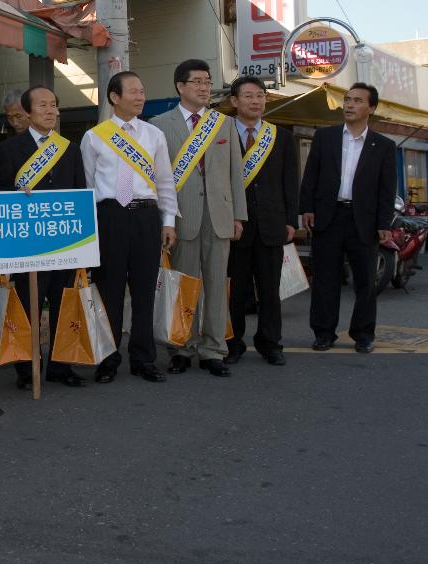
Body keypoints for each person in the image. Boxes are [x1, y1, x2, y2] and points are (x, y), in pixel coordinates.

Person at [150, 59, 246, 377]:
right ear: (180, 87)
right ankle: (181, 347)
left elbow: (235, 173)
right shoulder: (160, 125)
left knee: (217, 286)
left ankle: (213, 349)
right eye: (198, 82)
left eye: (208, 81)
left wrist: (238, 216)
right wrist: (164, 219)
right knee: (183, 285)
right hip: (181, 216)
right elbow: (157, 176)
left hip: (219, 216)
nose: (205, 87)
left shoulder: (224, 124)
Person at [81, 72, 178, 384]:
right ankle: (108, 359)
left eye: (142, 91)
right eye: (133, 91)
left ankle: (143, 358)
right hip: (110, 217)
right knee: (108, 291)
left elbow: (165, 182)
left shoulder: (153, 135)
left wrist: (168, 221)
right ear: (114, 97)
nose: (140, 97)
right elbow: (88, 185)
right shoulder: (94, 136)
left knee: (145, 290)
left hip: (146, 216)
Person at [0, 86, 88, 389]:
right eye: (43, 105)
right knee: (27, 305)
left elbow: (79, 192)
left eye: (54, 105)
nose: (51, 111)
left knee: (63, 304)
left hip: (64, 243)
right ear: (27, 112)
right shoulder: (8, 150)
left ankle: (61, 366)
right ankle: (27, 367)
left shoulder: (70, 149)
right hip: (27, 244)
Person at [299, 82, 398, 353]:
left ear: (371, 108)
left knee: (366, 281)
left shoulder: (384, 146)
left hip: (363, 220)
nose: (350, 105)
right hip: (328, 217)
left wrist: (383, 224)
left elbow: (387, 189)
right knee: (324, 279)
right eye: (347, 100)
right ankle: (323, 333)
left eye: (357, 101)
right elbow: (311, 176)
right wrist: (307, 208)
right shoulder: (325, 137)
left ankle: (363, 334)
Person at [225, 76, 298, 366]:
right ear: (234, 101)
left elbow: (290, 181)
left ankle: (271, 343)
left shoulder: (280, 136)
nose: (255, 101)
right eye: (248, 96)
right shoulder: (222, 132)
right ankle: (233, 343)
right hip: (235, 227)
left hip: (272, 225)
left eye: (260, 96)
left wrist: (291, 219)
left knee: (270, 290)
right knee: (235, 291)